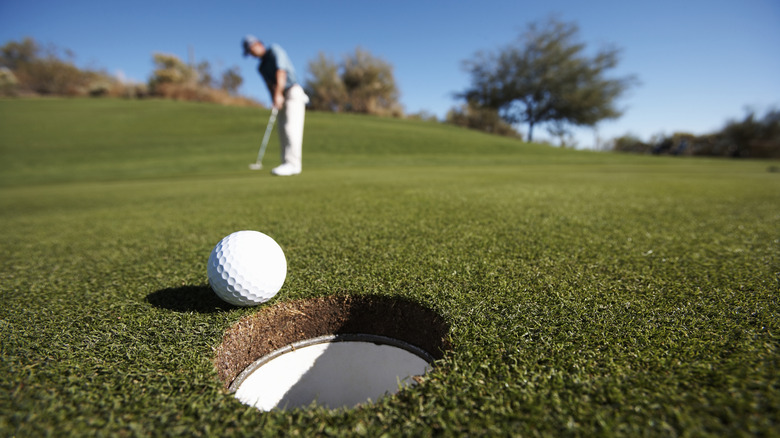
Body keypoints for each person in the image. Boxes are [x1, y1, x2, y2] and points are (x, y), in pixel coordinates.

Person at [243, 35, 309, 176]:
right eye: (249, 52)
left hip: (292, 92)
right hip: (280, 96)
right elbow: (269, 85)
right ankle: (286, 163)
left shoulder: (274, 50)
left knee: (291, 129)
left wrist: (278, 94)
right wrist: (274, 98)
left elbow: (281, 72)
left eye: (251, 49)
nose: (252, 54)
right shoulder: (260, 67)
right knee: (282, 131)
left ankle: (293, 165)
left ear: (258, 44)